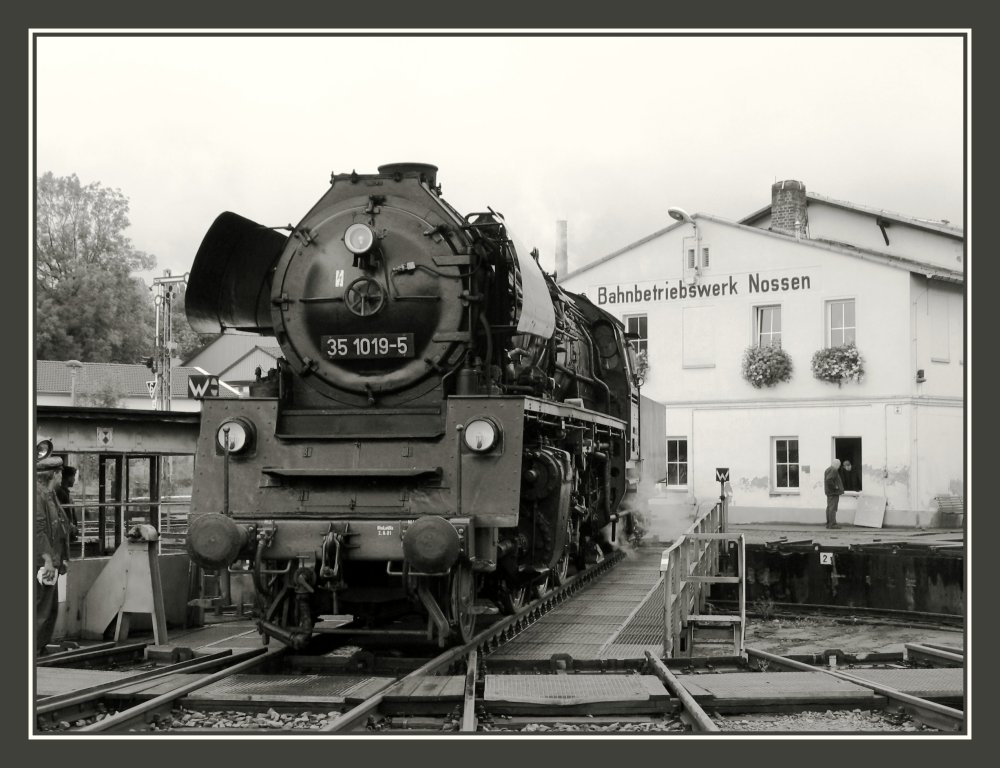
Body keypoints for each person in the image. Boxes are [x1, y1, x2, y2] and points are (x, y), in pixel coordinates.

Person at [35, 455, 72, 656]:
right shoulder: (37, 496)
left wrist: (63, 557)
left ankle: (39, 646)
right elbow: (38, 530)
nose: (61, 477)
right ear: (54, 474)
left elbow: (60, 527)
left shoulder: (50, 495)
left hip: (52, 562)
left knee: (49, 609)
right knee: (42, 608)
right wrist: (48, 560)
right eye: (60, 473)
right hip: (41, 564)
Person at [55, 465, 79, 543]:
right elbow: (63, 513)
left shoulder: (64, 492)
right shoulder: (61, 493)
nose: (74, 479)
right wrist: (71, 526)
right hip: (65, 531)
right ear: (68, 478)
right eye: (73, 477)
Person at [823, 459, 845, 529]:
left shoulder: (828, 469)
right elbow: (829, 480)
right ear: (837, 464)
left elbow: (828, 479)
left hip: (829, 492)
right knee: (833, 508)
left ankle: (829, 523)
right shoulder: (834, 470)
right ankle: (832, 524)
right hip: (833, 492)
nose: (839, 467)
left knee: (829, 507)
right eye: (839, 465)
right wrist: (835, 487)